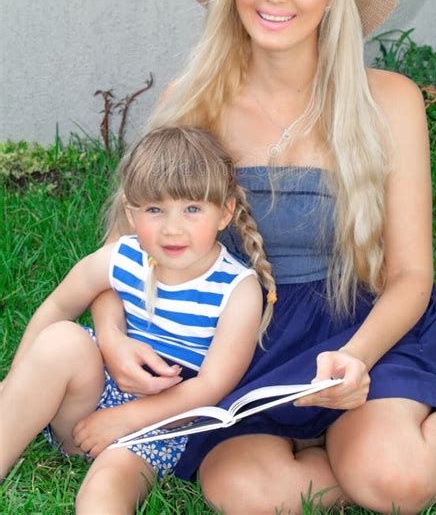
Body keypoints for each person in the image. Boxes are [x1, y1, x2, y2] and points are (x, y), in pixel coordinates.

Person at [92, 0, 436, 514]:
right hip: (240, 346)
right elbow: (123, 251)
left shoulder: (389, 100)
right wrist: (111, 337)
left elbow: (411, 273)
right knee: (240, 488)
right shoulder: (190, 103)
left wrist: (354, 359)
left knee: (393, 482)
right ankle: (342, 458)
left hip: (361, 330)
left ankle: (380, 446)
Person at [0, 126, 277, 514]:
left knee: (103, 491)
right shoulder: (123, 257)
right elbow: (57, 307)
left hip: (160, 422)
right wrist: (16, 384)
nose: (172, 228)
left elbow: (212, 386)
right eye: (154, 210)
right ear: (131, 212)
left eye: (192, 209)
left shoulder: (237, 289)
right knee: (61, 339)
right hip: (91, 400)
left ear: (224, 212)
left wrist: (122, 420)